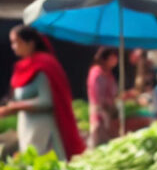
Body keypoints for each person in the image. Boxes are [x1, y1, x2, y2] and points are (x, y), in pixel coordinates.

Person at [0, 25, 83, 160]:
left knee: (45, 168)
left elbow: (47, 101)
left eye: (16, 42)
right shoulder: (23, 66)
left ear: (30, 43)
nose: (13, 46)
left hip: (43, 130)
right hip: (27, 127)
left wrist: (14, 108)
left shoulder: (44, 64)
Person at [87, 46, 119, 149]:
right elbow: (97, 98)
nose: (116, 60)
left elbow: (114, 93)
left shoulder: (108, 73)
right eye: (113, 57)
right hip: (99, 116)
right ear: (106, 57)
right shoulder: (97, 73)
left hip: (108, 115)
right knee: (98, 145)